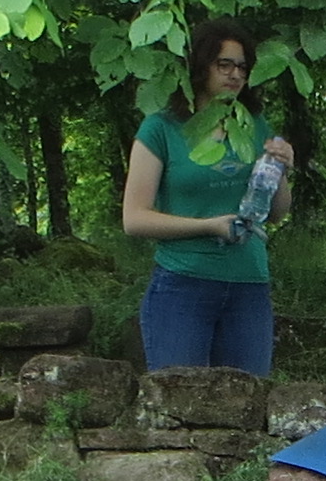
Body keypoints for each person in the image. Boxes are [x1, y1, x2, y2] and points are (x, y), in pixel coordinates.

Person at [119, 19, 295, 375]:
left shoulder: (254, 126)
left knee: (248, 401)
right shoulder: (161, 128)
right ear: (200, 67)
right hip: (182, 285)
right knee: (180, 400)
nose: (235, 75)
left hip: (249, 285)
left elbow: (276, 213)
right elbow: (134, 219)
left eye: (242, 67)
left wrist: (283, 170)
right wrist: (208, 226)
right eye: (224, 64)